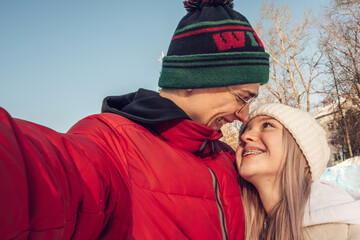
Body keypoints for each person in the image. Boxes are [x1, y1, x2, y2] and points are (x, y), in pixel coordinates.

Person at [0, 0, 269, 239]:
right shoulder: (112, 142)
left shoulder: (228, 157)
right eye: (243, 97)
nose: (243, 115)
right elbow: (46, 175)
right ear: (193, 78)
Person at [236, 103, 360, 240]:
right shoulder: (237, 227)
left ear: (303, 154)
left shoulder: (349, 231)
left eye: (267, 125)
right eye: (245, 130)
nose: (245, 136)